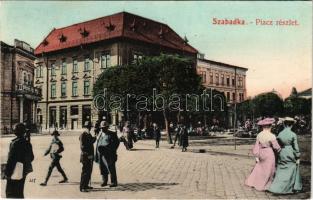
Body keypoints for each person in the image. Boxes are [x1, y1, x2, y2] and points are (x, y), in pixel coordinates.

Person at [245, 118, 281, 191]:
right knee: (269, 168)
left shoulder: (259, 135)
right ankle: (265, 184)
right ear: (270, 126)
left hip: (261, 152)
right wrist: (280, 149)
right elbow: (276, 146)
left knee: (260, 167)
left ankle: (255, 182)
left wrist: (257, 155)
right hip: (268, 152)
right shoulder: (271, 135)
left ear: (263, 127)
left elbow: (256, 146)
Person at [268, 117, 302, 194]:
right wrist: (297, 156)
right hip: (290, 152)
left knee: (281, 169)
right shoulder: (293, 134)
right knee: (291, 168)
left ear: (284, 124)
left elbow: (278, 145)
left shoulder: (280, 134)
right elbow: (296, 147)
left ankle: (276, 186)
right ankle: (292, 186)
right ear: (292, 125)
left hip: (282, 152)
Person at [5, 123, 34, 198]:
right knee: (19, 192)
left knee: (10, 193)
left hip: (14, 171)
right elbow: (31, 158)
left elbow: (11, 160)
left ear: (15, 132)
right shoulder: (27, 143)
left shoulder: (14, 143)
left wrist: (7, 173)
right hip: (23, 171)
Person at [95, 121, 120, 187]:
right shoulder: (100, 134)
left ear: (107, 127)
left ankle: (114, 182)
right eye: (101, 128)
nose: (102, 129)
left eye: (104, 128)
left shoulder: (112, 134)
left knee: (111, 168)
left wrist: (111, 150)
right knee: (102, 168)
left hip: (109, 154)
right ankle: (104, 181)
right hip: (101, 154)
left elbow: (117, 143)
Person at [79, 121, 96, 192]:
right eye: (88, 127)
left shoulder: (88, 134)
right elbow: (82, 147)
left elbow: (91, 141)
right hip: (85, 156)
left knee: (89, 171)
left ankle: (86, 185)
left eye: (89, 127)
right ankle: (82, 187)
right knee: (85, 172)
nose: (89, 128)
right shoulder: (83, 135)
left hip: (90, 156)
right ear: (85, 127)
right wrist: (88, 155)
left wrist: (95, 137)